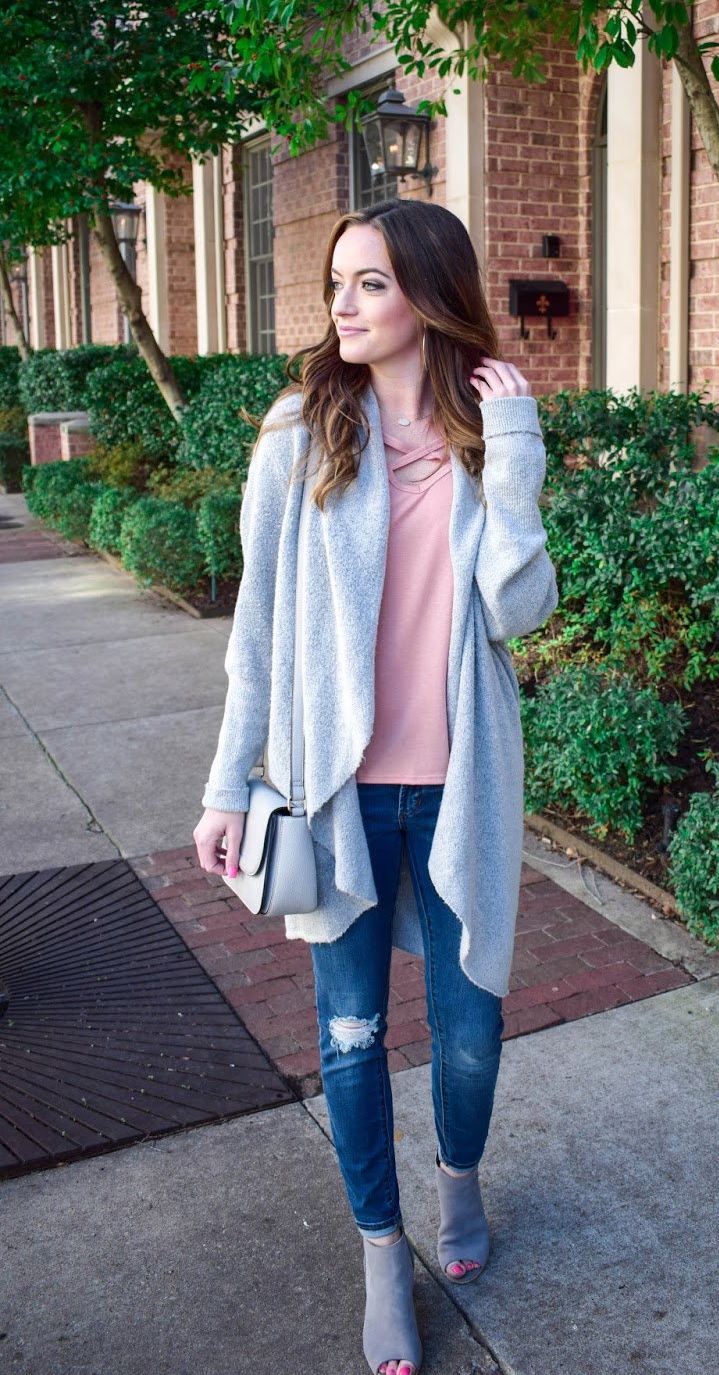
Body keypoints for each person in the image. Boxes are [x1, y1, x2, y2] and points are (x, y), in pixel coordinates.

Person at [192, 198, 558, 1375]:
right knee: (350, 1036)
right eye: (337, 284)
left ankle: (459, 1178)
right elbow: (256, 631)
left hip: (458, 790)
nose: (342, 307)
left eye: (370, 284)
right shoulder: (300, 433)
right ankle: (379, 1254)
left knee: (470, 1034)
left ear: (431, 296)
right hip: (335, 796)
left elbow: (518, 610)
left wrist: (515, 462)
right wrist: (229, 784)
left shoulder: (480, 435)